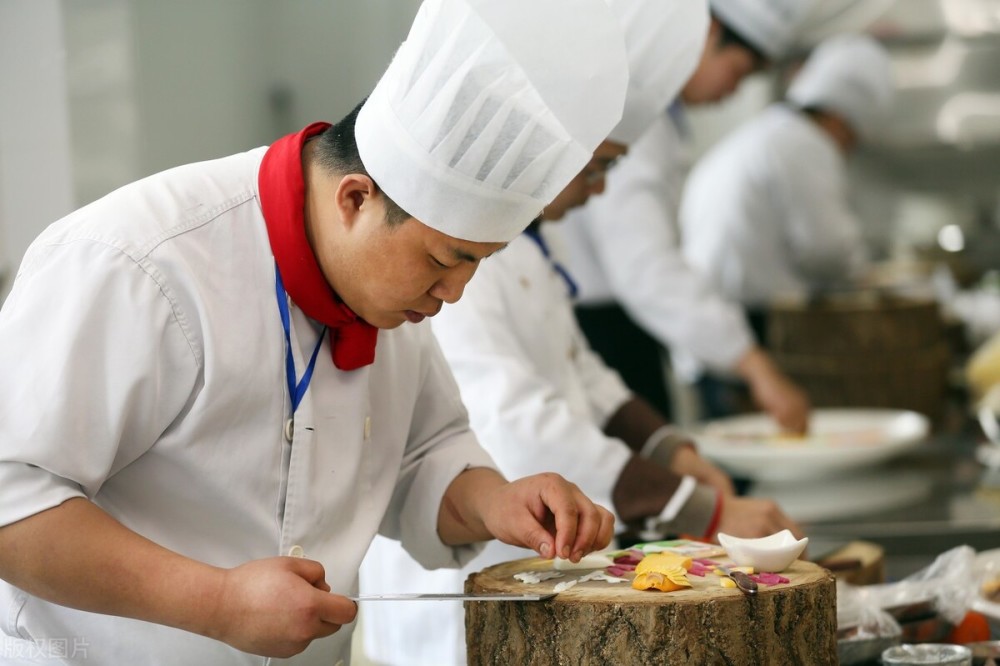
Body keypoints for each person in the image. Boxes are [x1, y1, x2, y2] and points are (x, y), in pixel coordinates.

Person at [0, 1, 631, 664]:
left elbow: (421, 459)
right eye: (446, 260)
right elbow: (11, 496)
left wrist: (494, 502)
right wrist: (215, 601)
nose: (454, 294)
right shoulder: (142, 260)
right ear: (355, 198)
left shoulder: (389, 297)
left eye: (477, 265)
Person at [359, 2, 802, 664]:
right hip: (462, 584)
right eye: (595, 167)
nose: (596, 191)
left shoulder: (525, 248)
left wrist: (672, 452)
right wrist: (694, 510)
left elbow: (583, 377)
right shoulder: (459, 255)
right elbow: (519, 422)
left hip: (535, 563)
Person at [553, 0, 817, 430]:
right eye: (739, 70)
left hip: (608, 331)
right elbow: (645, 269)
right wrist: (754, 364)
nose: (735, 89)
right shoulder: (636, 119)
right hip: (602, 332)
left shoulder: (658, 120)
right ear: (709, 32)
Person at [680, 34, 894, 310]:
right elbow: (827, 252)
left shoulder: (772, 132)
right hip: (753, 316)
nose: (849, 149)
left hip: (715, 307)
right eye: (853, 137)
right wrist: (866, 273)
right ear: (839, 119)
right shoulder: (807, 145)